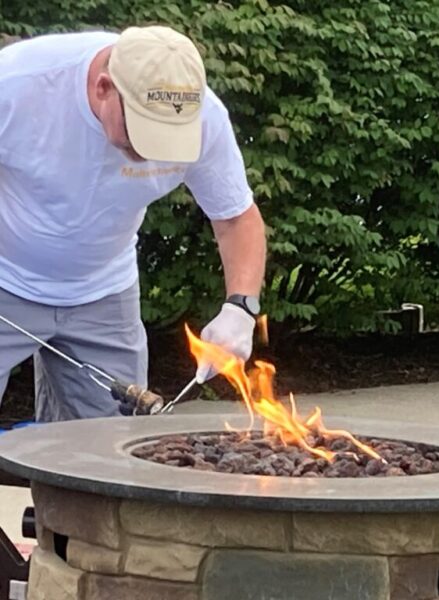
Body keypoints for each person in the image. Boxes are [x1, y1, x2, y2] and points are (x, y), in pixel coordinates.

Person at [0, 25, 266, 421]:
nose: (150, 150)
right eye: (140, 130)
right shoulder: (18, 84)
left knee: (108, 453)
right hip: (6, 278)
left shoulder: (205, 117)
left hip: (105, 292)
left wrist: (241, 308)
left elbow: (235, 218)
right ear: (104, 88)